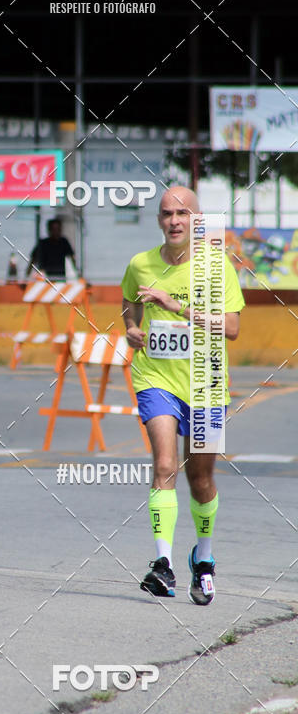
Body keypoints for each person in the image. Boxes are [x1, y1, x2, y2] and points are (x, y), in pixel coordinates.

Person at [121, 186, 244, 605]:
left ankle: (204, 559)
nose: (174, 220)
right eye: (166, 213)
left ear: (196, 220)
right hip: (156, 377)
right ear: (159, 220)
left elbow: (231, 328)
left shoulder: (216, 268)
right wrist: (131, 330)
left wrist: (178, 308)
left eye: (182, 213)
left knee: (201, 478)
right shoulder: (140, 263)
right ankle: (163, 564)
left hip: (207, 382)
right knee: (165, 464)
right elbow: (128, 304)